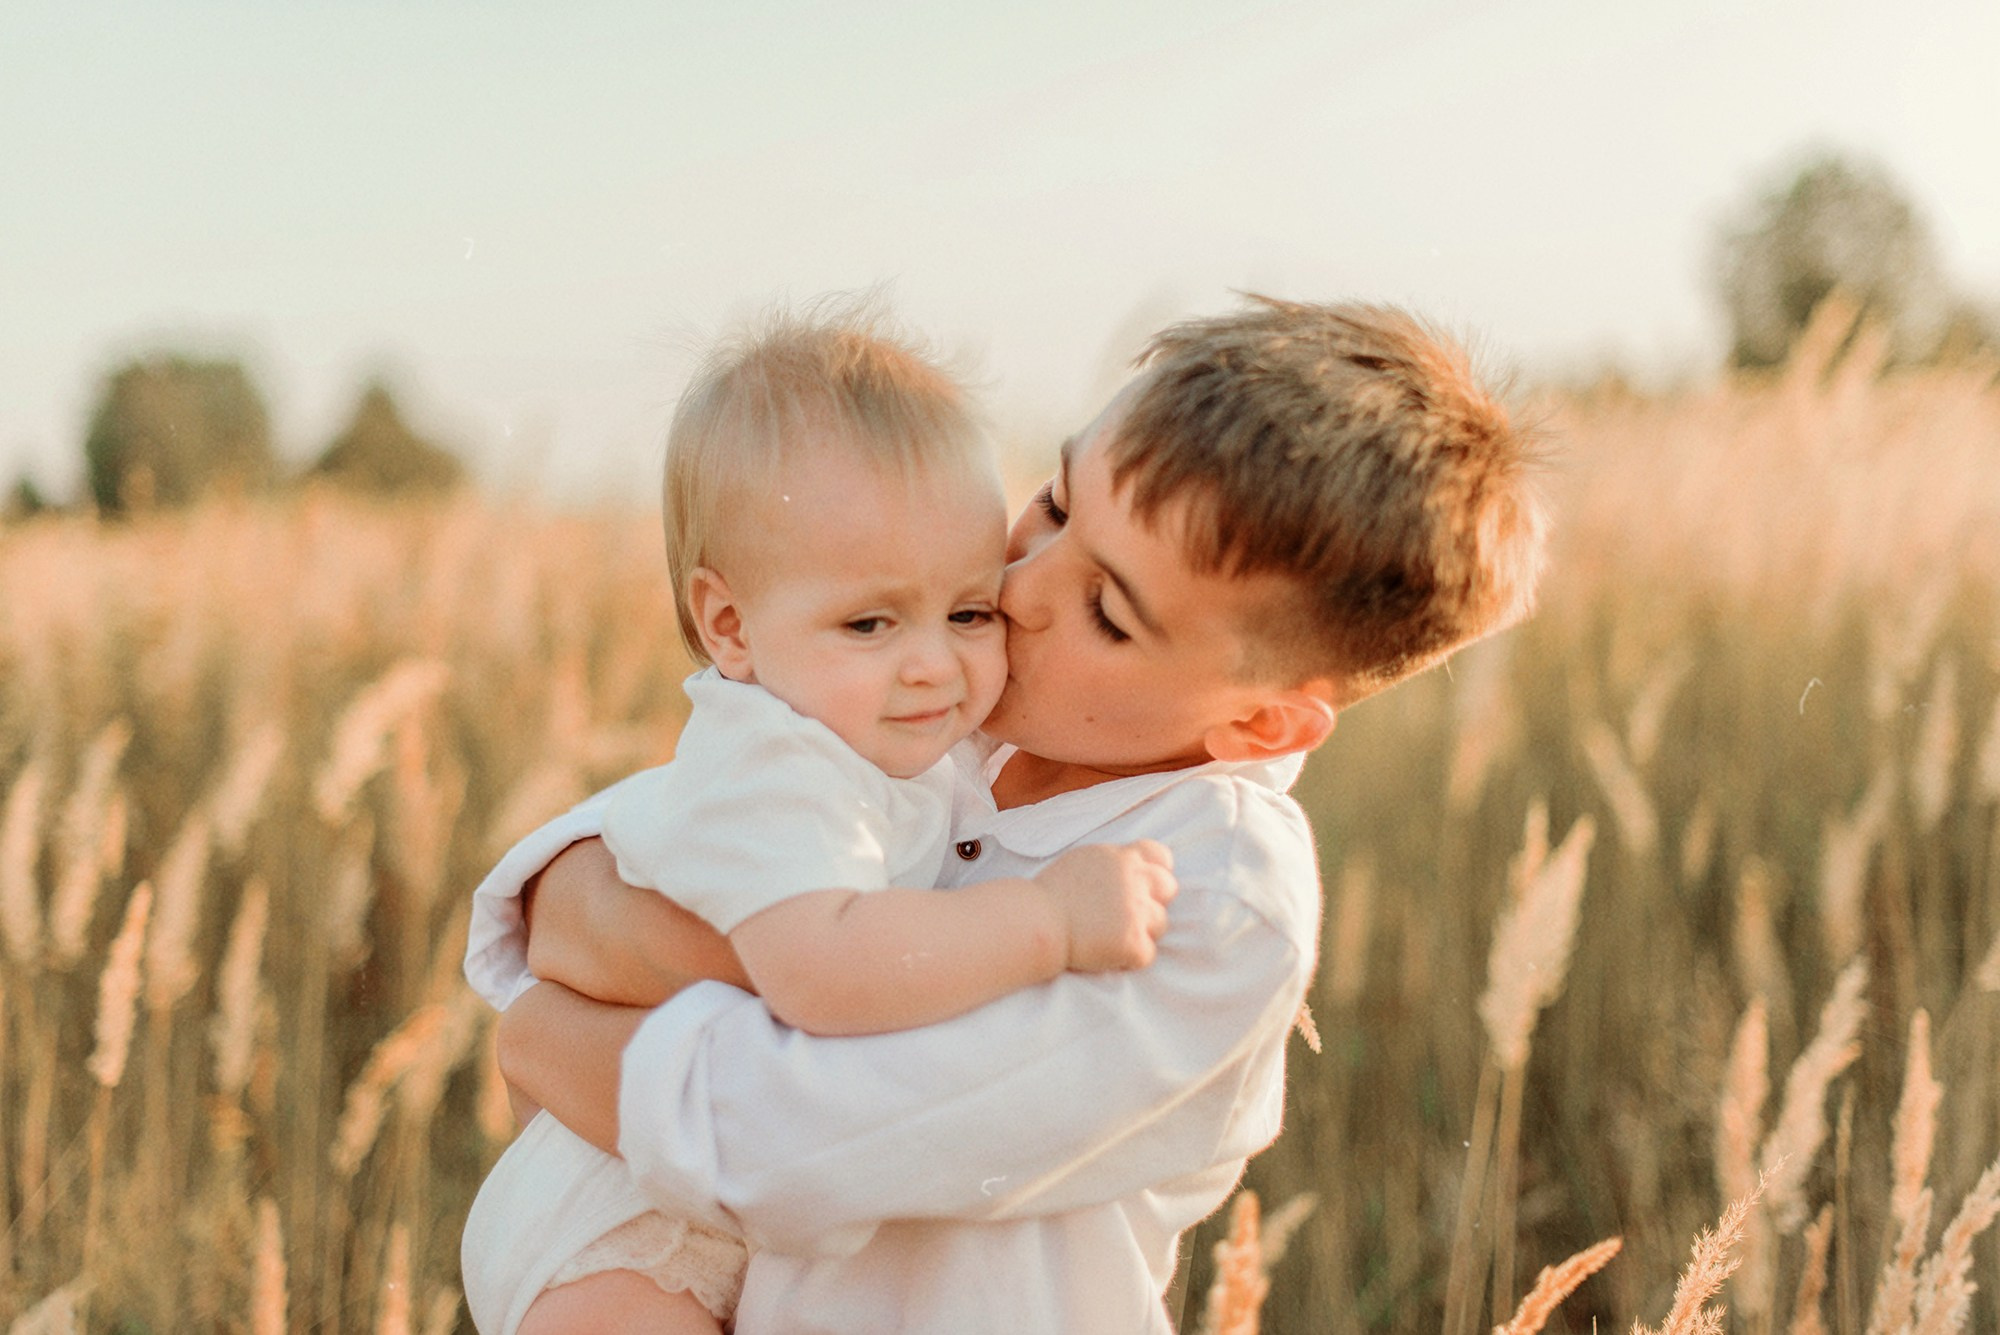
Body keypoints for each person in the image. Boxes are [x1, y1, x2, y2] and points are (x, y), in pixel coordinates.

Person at [475, 296, 1550, 1333]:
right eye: (1053, 502)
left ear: (1262, 726)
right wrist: (579, 935)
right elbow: (597, 877)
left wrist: (549, 1035)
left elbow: (786, 1141)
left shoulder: (1212, 894)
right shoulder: (953, 702)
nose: (1024, 585)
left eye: (1105, 611)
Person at [459, 311, 1177, 1335]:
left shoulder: (880, 733)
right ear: (730, 627)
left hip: (718, 1206)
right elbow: (816, 969)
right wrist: (1046, 924)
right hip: (622, 1231)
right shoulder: (776, 763)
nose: (932, 662)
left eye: (968, 612)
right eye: (870, 623)